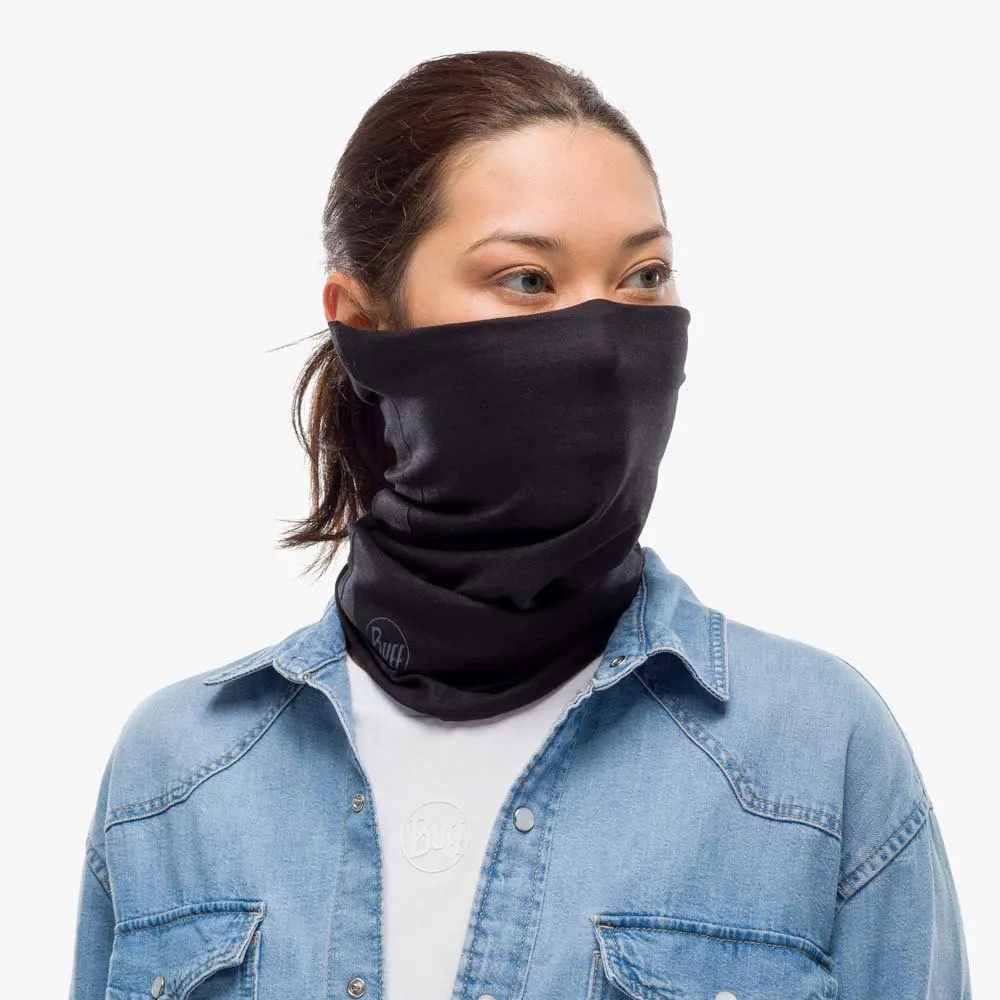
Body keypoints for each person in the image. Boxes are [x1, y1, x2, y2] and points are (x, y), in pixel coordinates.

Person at [69, 49, 972, 1000]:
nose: (603, 341)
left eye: (644, 275)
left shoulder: (816, 752)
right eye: (529, 279)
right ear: (365, 323)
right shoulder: (177, 776)